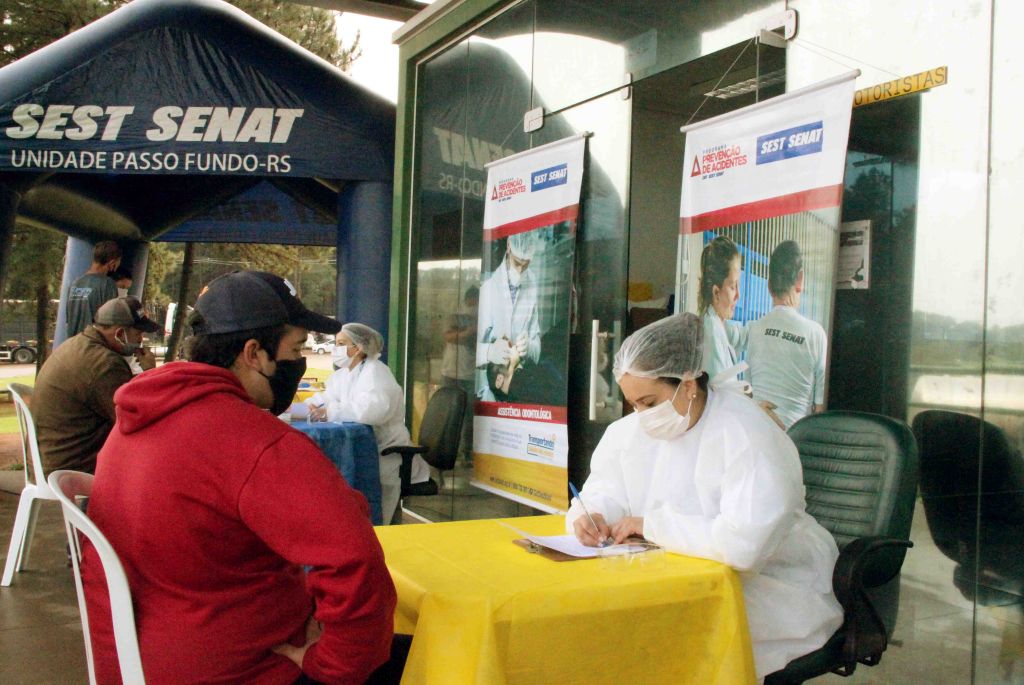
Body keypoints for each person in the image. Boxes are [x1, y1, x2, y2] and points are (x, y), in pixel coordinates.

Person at [82, 270, 404, 685]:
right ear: (254, 353)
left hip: (143, 656)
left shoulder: (138, 419)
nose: (300, 363)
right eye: (296, 349)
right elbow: (356, 564)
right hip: (243, 666)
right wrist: (331, 666)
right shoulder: (256, 443)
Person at [567, 313, 843, 680]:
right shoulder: (627, 434)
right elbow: (603, 489)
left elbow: (744, 545)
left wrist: (652, 526)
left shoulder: (746, 433)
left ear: (688, 384)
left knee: (667, 643)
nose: (641, 416)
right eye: (633, 404)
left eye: (649, 403)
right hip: (675, 577)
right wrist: (592, 515)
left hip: (768, 585)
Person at [308, 323, 428, 525]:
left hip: (385, 454)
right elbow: (324, 398)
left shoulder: (377, 373)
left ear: (359, 347)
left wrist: (331, 411)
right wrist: (308, 408)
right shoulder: (343, 375)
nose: (335, 348)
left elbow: (371, 411)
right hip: (361, 450)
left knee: (362, 509)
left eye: (341, 343)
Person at [33, 296, 159, 475]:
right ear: (120, 333)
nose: (141, 339)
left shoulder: (77, 344)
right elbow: (134, 420)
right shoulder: (105, 364)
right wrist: (149, 374)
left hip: (51, 457)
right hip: (74, 467)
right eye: (138, 332)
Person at [747, 241, 828, 429]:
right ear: (800, 280)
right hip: (795, 444)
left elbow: (749, 395)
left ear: (769, 286)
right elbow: (820, 409)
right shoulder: (816, 334)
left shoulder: (755, 329)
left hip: (756, 437)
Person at [476, 231, 542, 399]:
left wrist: (529, 347)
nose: (520, 271)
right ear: (508, 248)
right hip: (488, 389)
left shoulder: (532, 283)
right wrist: (488, 351)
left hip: (517, 385)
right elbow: (468, 350)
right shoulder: (488, 288)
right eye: (517, 263)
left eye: (526, 264)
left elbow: (537, 344)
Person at [698, 235, 747, 380]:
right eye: (733, 286)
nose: (738, 295)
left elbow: (741, 335)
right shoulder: (711, 332)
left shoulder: (717, 323)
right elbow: (719, 396)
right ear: (716, 292)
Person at [441, 286, 478, 462]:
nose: (473, 306)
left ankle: (466, 452)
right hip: (451, 370)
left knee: (469, 416)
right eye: (471, 302)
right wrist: (468, 332)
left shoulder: (484, 315)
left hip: (470, 372)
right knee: (449, 414)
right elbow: (448, 336)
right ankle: (446, 452)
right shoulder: (456, 315)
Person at [66, 240, 122, 336]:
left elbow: (68, 320)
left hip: (73, 346)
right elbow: (112, 323)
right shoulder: (107, 284)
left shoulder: (74, 284)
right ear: (112, 263)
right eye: (117, 263)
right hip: (94, 346)